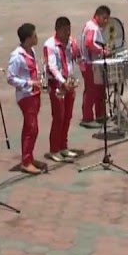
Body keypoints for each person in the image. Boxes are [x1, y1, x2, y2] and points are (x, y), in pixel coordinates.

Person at [6, 23, 45, 175]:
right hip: (26, 96)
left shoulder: (32, 51)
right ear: (28, 38)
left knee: (31, 128)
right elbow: (10, 78)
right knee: (31, 128)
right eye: (34, 36)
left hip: (34, 94)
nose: (37, 38)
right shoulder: (17, 56)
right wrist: (29, 83)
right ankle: (26, 162)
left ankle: (29, 156)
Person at [43, 17, 82, 164]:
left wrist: (76, 48)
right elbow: (51, 67)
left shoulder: (70, 42)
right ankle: (54, 149)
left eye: (69, 30)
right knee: (58, 116)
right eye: (65, 30)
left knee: (68, 115)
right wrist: (62, 81)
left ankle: (63, 146)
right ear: (57, 30)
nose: (68, 33)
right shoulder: (50, 45)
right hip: (57, 84)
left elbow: (77, 59)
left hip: (69, 82)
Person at [79, 5, 112, 128]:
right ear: (97, 16)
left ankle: (100, 114)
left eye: (107, 19)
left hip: (92, 64)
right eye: (104, 18)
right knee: (91, 92)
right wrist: (102, 51)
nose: (106, 21)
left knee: (99, 90)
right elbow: (89, 43)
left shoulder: (89, 25)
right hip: (90, 64)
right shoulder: (93, 28)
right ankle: (87, 118)